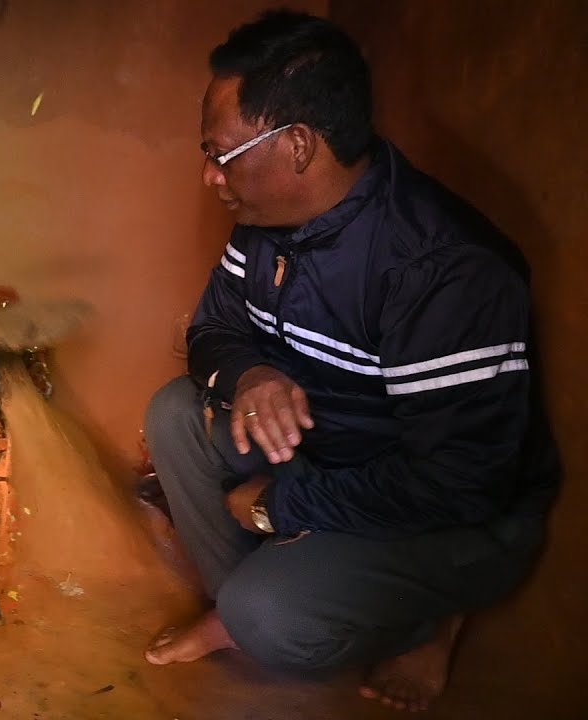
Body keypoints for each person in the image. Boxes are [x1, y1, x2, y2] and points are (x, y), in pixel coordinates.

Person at [142, 10, 558, 713]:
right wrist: (253, 375)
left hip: (454, 517)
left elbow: (459, 484)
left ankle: (428, 620)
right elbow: (214, 327)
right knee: (174, 414)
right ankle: (254, 604)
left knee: (272, 615)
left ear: (298, 145)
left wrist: (280, 506)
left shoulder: (440, 269)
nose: (211, 177)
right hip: (335, 452)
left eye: (220, 153)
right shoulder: (265, 228)